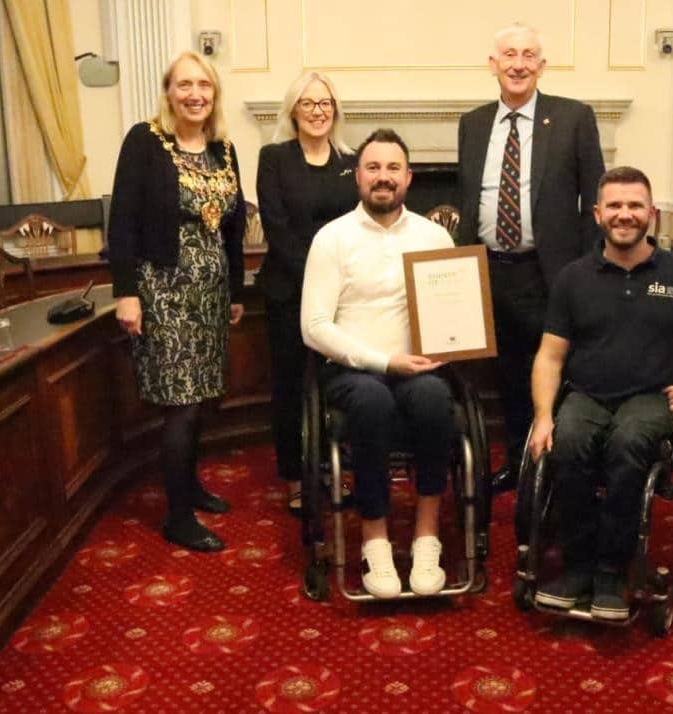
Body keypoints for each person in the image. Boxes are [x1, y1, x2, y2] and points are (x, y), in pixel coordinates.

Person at [527, 166, 673, 619]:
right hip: (587, 395)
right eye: (615, 205)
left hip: (654, 398)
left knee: (628, 443)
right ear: (597, 214)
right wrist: (543, 415)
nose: (624, 214)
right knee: (566, 442)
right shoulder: (573, 278)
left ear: (651, 213)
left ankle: (612, 571)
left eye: (634, 206)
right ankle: (577, 568)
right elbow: (550, 356)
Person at [300, 129, 457, 599]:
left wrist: (454, 342)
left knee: (435, 397)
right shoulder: (332, 239)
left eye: (393, 169)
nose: (383, 178)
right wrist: (383, 361)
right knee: (370, 401)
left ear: (408, 178)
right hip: (353, 371)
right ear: (358, 178)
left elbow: (455, 311)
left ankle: (427, 536)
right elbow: (314, 327)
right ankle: (375, 540)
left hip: (420, 368)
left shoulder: (435, 236)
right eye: (373, 168)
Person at [456, 23, 605, 492]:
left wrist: (587, 270)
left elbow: (593, 203)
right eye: (508, 55)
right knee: (506, 374)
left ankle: (558, 467)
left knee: (554, 372)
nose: (518, 63)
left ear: (542, 65)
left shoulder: (574, 118)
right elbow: (467, 201)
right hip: (488, 272)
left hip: (549, 275)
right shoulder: (472, 123)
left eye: (528, 55)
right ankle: (519, 460)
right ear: (492, 64)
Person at [107, 51, 246, 552]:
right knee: (181, 405)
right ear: (168, 91)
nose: (195, 94)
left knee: (202, 398)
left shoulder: (223, 149)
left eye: (204, 85)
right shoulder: (145, 141)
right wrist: (126, 294)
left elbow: (233, 229)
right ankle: (178, 516)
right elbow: (121, 221)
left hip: (209, 297)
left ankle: (190, 487)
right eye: (184, 85)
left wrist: (235, 291)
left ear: (214, 94)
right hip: (162, 291)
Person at [256, 71, 358, 516]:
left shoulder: (352, 161)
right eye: (308, 103)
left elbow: (359, 229)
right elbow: (277, 229)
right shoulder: (274, 157)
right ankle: (296, 476)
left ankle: (341, 464)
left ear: (334, 110)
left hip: (345, 297)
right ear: (293, 110)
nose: (318, 111)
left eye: (325, 103)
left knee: (344, 382)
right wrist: (320, 281)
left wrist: (341, 285)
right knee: (291, 385)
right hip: (289, 290)